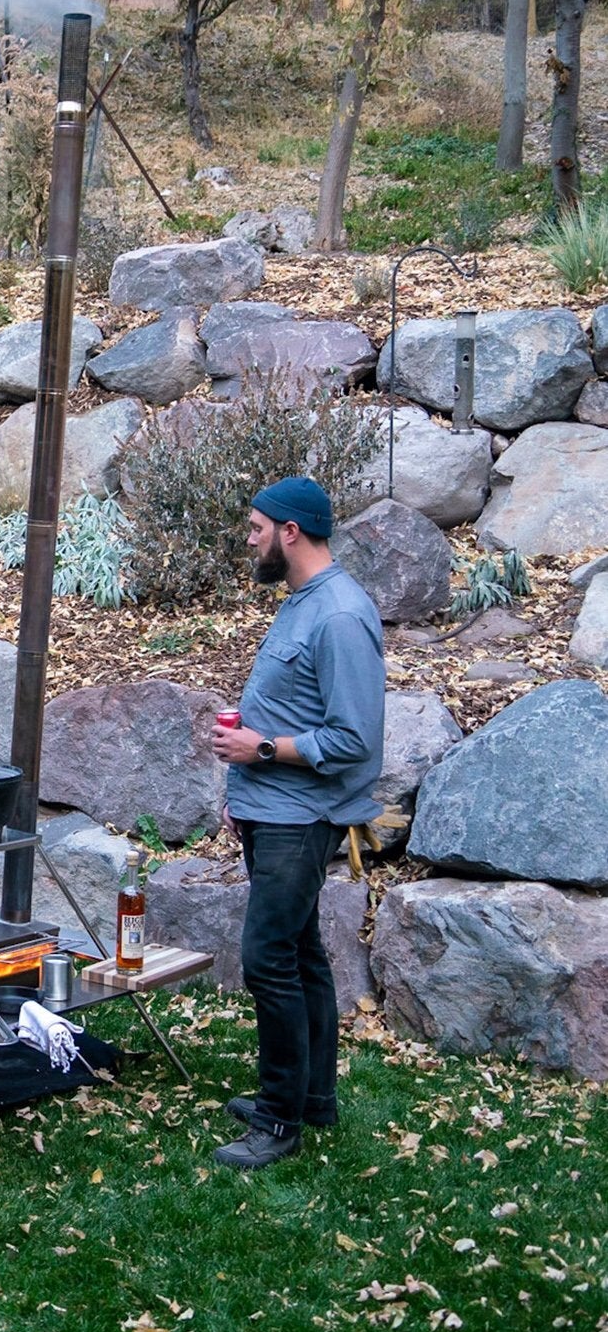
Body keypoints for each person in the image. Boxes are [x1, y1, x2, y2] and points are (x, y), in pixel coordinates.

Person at [210, 476, 385, 1171]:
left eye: (256, 527)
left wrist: (261, 750)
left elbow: (354, 738)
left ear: (290, 531)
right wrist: (243, 783)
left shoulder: (340, 614)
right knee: (303, 953)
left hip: (301, 817)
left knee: (268, 961)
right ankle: (313, 1098)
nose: (248, 539)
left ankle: (278, 1121)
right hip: (269, 810)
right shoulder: (302, 603)